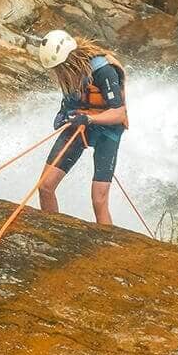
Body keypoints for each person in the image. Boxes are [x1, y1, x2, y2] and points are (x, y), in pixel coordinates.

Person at [35, 29, 128, 226]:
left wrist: (90, 120)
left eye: (61, 67)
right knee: (45, 186)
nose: (58, 73)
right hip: (80, 124)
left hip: (107, 129)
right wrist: (64, 117)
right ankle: (53, 234)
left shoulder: (103, 70)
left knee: (98, 200)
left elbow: (118, 113)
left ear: (70, 60)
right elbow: (68, 106)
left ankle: (107, 247)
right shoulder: (69, 72)